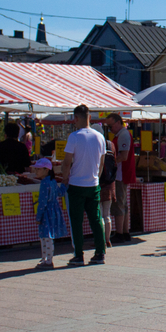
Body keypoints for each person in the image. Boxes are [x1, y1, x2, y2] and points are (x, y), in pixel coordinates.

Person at [62, 105, 106, 267]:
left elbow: (67, 162)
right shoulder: (100, 137)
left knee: (76, 221)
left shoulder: (74, 137)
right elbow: (101, 163)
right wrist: (96, 178)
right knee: (96, 219)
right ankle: (100, 252)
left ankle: (78, 254)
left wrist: (65, 177)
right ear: (89, 117)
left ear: (76, 118)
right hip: (93, 183)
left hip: (76, 184)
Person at [31, 157, 65, 270]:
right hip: (54, 211)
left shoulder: (44, 183)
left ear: (46, 170)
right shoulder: (53, 181)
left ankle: (47, 260)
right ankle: (46, 259)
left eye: (38, 169)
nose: (36, 171)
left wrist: (38, 216)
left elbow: (42, 202)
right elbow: (60, 193)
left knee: (46, 236)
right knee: (48, 236)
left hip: (46, 213)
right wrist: (65, 184)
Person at [105, 114, 133, 244]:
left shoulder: (123, 135)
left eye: (110, 126)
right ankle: (125, 231)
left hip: (120, 174)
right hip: (122, 173)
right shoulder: (121, 135)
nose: (109, 129)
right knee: (123, 203)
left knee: (119, 203)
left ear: (117, 122)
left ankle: (120, 233)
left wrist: (109, 162)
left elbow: (124, 156)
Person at [98, 140, 116, 249]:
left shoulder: (96, 145)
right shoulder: (111, 145)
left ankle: (102, 240)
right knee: (107, 214)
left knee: (99, 215)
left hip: (99, 184)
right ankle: (108, 240)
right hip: (110, 185)